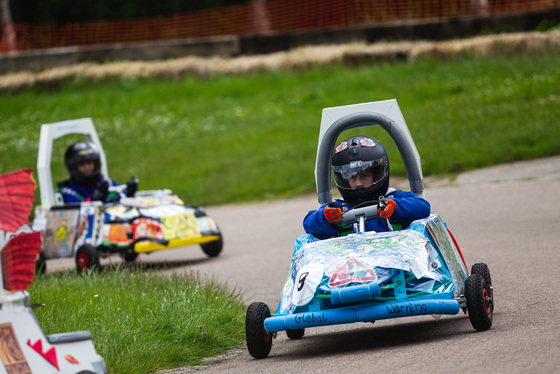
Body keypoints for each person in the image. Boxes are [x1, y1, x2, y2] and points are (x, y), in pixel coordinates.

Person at [303, 136, 430, 239]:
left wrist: (396, 208)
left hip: (397, 266)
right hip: (352, 267)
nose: (358, 183)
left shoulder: (393, 199)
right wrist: (326, 218)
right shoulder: (339, 209)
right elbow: (308, 224)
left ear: (376, 175)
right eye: (352, 177)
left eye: (364, 176)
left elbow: (423, 207)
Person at [58, 141, 138, 203]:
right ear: (73, 167)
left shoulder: (108, 183)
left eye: (89, 163)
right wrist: (94, 199)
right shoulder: (69, 191)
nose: (87, 167)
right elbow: (76, 213)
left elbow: (123, 202)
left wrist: (130, 194)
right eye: (82, 164)